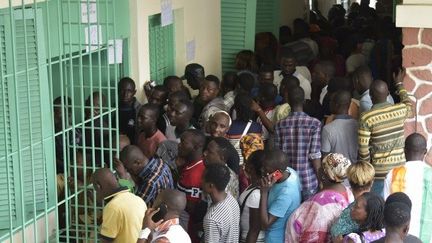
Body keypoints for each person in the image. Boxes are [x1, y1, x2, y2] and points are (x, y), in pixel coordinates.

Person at [358, 69, 412, 196]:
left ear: (370, 96)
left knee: (379, 209)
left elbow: (363, 151)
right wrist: (399, 84)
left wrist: (366, 174)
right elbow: (409, 104)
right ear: (388, 93)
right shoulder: (400, 110)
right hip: (398, 171)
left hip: (379, 175)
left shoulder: (366, 118)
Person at [285, 153, 352, 243]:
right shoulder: (348, 192)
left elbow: (312, 237)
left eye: (321, 167)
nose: (318, 169)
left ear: (323, 175)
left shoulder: (320, 205)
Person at [274, 86, 321, 200]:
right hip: (308, 181)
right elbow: (315, 155)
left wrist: (275, 178)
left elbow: (277, 156)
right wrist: (320, 180)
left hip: (287, 182)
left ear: (288, 101)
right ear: (304, 101)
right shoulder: (314, 124)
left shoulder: (279, 125)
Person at [383, 133, 432, 242]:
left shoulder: (393, 174)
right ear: (425, 151)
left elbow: (388, 206)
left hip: (398, 236)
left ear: (404, 151)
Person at [92, 168, 146, 243]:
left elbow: (106, 240)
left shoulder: (112, 207)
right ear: (117, 178)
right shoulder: (138, 200)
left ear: (98, 186)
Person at [259, 149, 301, 243]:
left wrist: (264, 192)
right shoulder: (290, 172)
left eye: (266, 169)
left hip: (275, 238)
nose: (262, 170)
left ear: (278, 171)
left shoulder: (286, 194)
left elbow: (265, 224)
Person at [176, 129, 206, 242]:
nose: (179, 145)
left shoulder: (195, 174)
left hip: (187, 227)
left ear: (197, 146)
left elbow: (191, 207)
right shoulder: (191, 164)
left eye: (184, 142)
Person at [331, 161, 375, 238]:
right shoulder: (380, 204)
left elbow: (335, 234)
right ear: (372, 182)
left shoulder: (350, 211)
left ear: (350, 183)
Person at [202, 163, 240, 243]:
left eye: (203, 179)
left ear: (211, 186)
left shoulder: (212, 219)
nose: (200, 182)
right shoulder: (231, 200)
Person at [321, 90, 358, 164]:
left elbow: (325, 157)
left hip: (336, 174)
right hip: (354, 172)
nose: (329, 104)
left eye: (331, 101)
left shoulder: (328, 129)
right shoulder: (358, 125)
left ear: (336, 105)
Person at [226, 93, 262, 166]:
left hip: (232, 166)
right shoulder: (257, 127)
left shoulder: (229, 126)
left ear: (235, 108)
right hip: (250, 167)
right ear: (252, 108)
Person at [239, 150, 265, 243]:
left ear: (251, 167)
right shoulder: (253, 185)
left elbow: (254, 229)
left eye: (246, 162)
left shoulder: (256, 195)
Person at [118, 77, 142, 143]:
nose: (125, 94)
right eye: (122, 90)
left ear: (134, 92)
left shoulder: (140, 110)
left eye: (129, 91)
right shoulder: (114, 108)